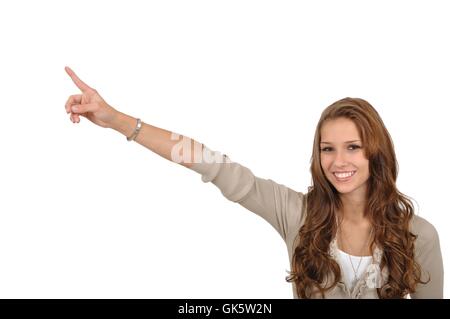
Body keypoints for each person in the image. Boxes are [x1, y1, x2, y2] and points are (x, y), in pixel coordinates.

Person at [64, 66, 443, 299]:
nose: (338, 162)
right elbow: (210, 162)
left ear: (375, 151)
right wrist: (116, 119)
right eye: (328, 148)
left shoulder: (417, 234)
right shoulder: (296, 213)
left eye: (353, 147)